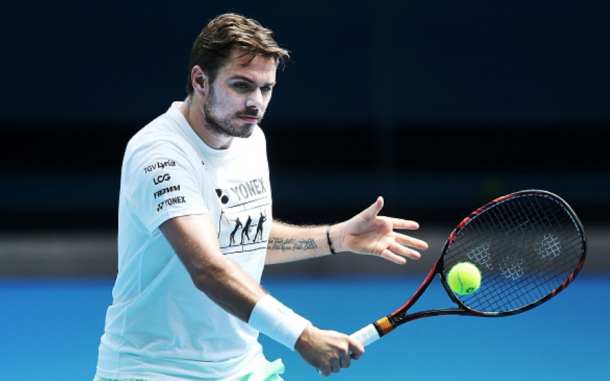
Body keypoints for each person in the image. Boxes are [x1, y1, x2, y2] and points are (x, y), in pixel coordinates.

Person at [94, 13, 428, 381]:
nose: (256, 102)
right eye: (241, 85)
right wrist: (301, 334)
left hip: (242, 367)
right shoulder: (159, 153)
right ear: (200, 80)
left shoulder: (250, 139)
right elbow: (207, 268)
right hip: (153, 371)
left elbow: (243, 239)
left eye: (265, 89)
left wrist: (337, 237)